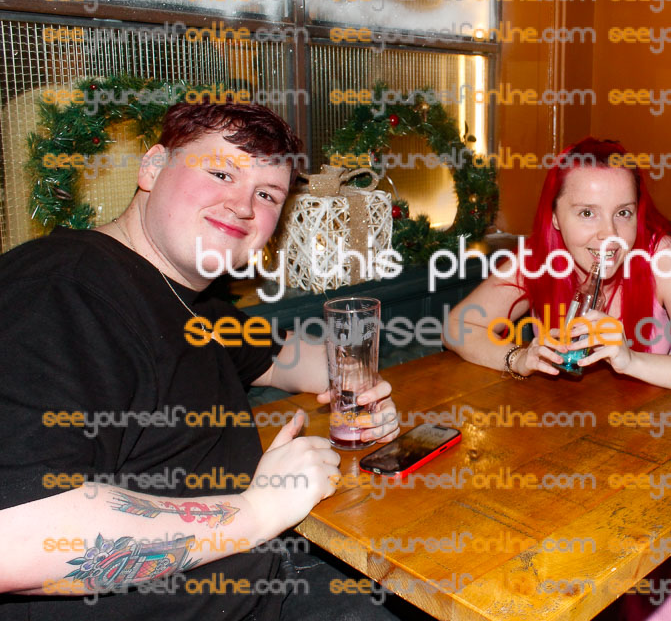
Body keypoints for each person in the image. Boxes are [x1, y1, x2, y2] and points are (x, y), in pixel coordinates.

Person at [0, 98, 400, 619]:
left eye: (266, 194)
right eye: (220, 173)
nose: (242, 205)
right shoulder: (59, 291)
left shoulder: (190, 298)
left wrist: (356, 385)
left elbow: (284, 360)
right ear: (152, 167)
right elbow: (15, 538)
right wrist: (257, 510)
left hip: (265, 575)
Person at [444, 137, 671, 395]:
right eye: (587, 213)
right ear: (555, 217)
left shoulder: (664, 258)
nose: (610, 234)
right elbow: (457, 327)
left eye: (623, 213)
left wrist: (632, 361)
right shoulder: (537, 259)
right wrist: (517, 359)